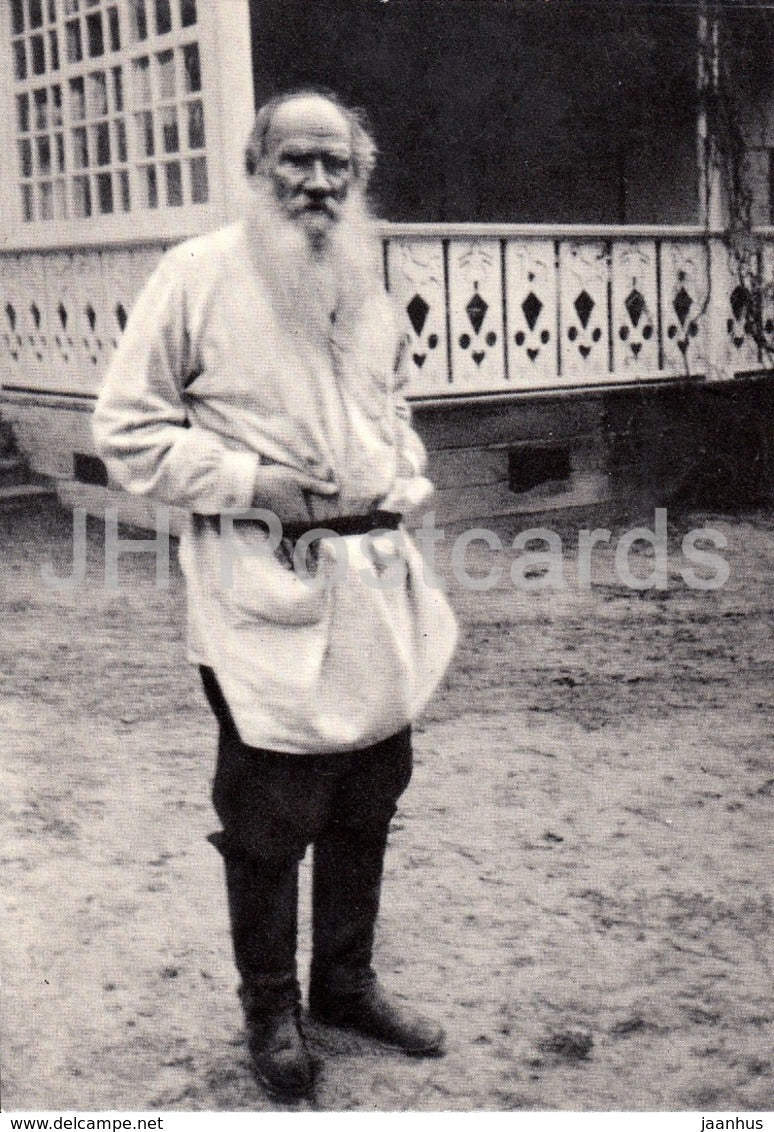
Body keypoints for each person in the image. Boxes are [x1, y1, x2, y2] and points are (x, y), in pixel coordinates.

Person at [92, 89, 457, 1101]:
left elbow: (391, 407)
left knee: (371, 790)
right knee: (270, 812)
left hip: (372, 585)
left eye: (335, 164)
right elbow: (126, 429)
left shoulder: (362, 278)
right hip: (262, 585)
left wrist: (407, 475)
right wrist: (256, 485)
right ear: (255, 167)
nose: (316, 180)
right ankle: (271, 1007)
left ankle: (345, 982)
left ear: (360, 174)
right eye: (294, 160)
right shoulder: (196, 276)